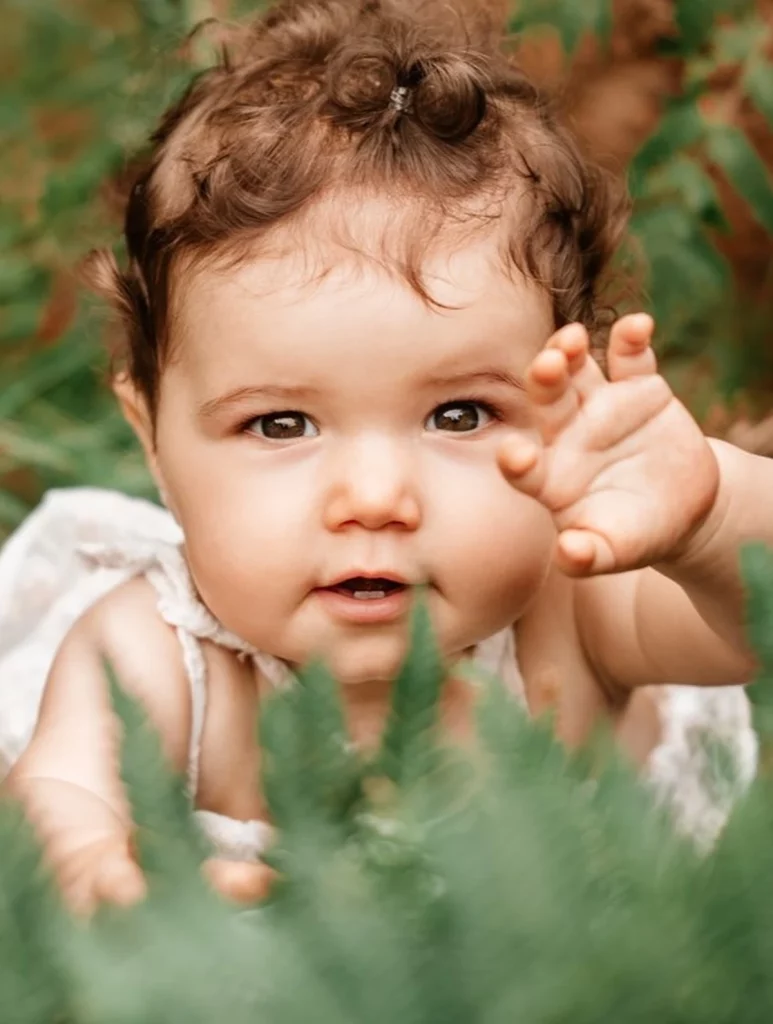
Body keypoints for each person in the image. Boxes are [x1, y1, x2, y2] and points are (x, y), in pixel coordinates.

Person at [0, 0, 766, 916]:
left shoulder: (578, 617)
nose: (374, 499)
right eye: (280, 425)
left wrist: (712, 514)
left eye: (457, 414)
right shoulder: (155, 655)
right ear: (154, 443)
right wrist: (108, 876)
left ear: (568, 402)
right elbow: (58, 804)